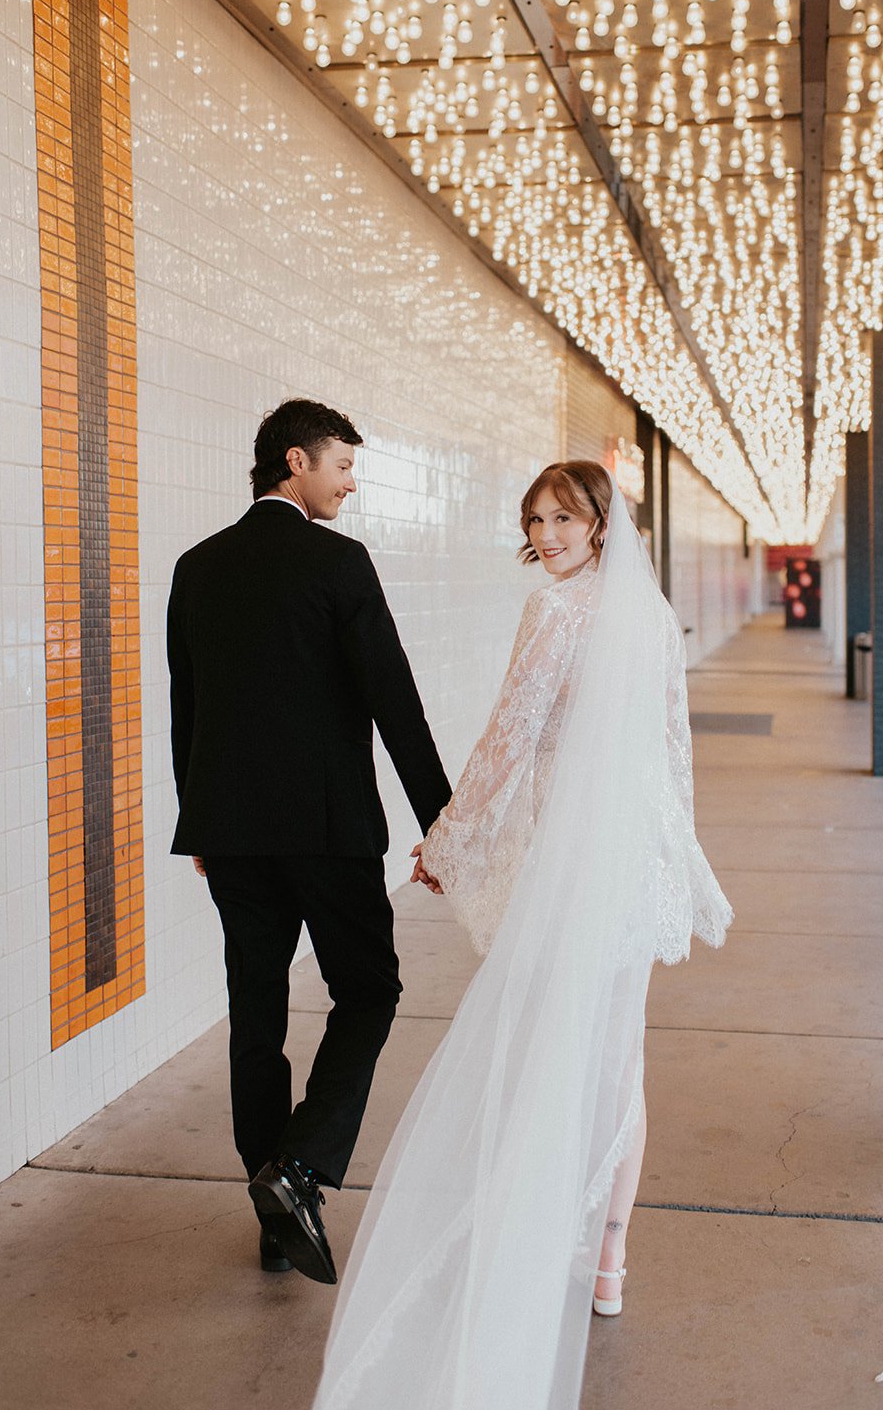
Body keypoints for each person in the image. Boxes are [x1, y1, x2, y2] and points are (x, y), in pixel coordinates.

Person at [313, 459, 731, 1410]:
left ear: (599, 524)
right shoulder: (655, 618)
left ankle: (542, 1241)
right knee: (619, 1052)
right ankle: (611, 1260)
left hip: (569, 864)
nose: (544, 535)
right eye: (534, 519)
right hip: (635, 863)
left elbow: (509, 737)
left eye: (562, 519)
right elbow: (674, 752)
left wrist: (447, 840)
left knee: (546, 1045)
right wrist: (679, 855)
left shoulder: (557, 615)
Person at [167, 398, 451, 1284]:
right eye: (342, 467)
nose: (351, 485)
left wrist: (199, 817)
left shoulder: (197, 566)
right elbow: (391, 698)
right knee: (368, 991)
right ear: (295, 462)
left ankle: (272, 1213)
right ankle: (299, 1168)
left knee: (256, 1015)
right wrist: (443, 820)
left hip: (233, 835)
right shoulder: (339, 563)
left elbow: (190, 706)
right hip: (328, 833)